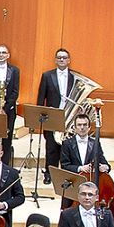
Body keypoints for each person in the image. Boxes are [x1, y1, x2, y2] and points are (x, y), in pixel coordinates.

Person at [35, 48, 79, 179]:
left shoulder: (75, 76)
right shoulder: (47, 75)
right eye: (59, 57)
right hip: (52, 116)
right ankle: (49, 174)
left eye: (64, 57)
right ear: (55, 60)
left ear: (69, 60)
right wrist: (40, 114)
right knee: (51, 147)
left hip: (69, 116)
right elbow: (41, 97)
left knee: (68, 146)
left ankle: (66, 174)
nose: (61, 59)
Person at [59, 112, 110, 208]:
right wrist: (80, 168)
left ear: (89, 127)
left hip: (90, 184)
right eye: (79, 125)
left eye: (84, 125)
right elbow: (64, 166)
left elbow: (104, 162)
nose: (82, 127)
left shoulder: (95, 143)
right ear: (74, 128)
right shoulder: (67, 144)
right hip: (73, 183)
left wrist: (105, 167)